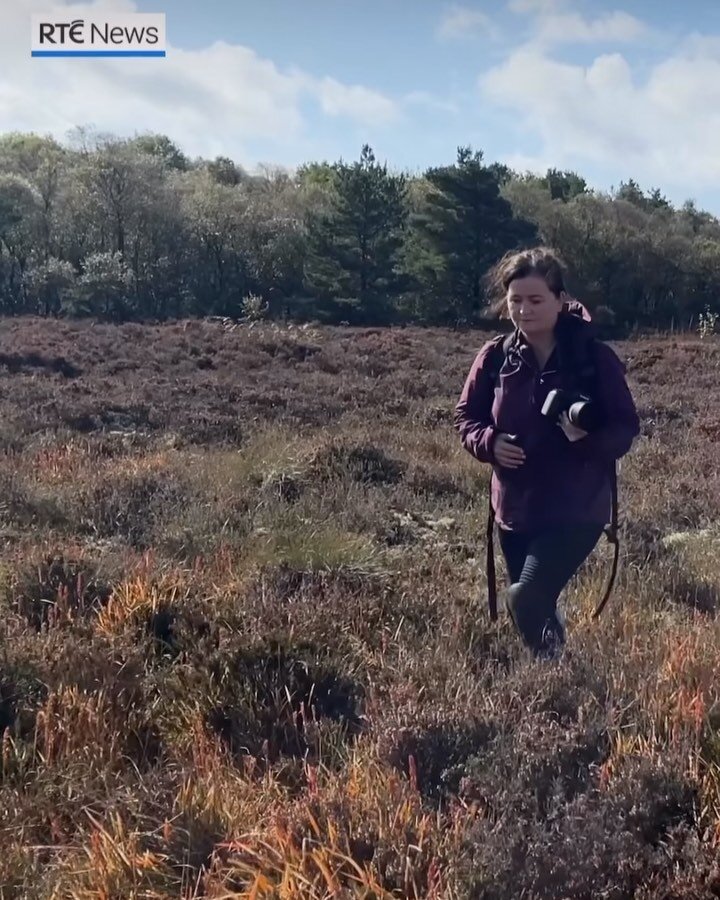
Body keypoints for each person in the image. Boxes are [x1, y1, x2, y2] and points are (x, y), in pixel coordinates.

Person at [453, 246, 640, 657]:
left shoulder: (593, 358)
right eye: (515, 300)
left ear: (559, 300)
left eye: (536, 300)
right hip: (515, 509)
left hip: (576, 508)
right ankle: (554, 681)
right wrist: (489, 442)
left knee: (526, 597)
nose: (524, 310)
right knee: (532, 611)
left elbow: (626, 428)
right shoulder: (494, 357)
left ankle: (555, 672)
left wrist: (586, 439)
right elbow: (466, 417)